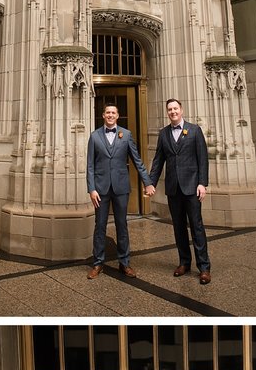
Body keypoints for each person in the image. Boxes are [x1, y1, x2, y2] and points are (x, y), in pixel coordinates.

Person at [85, 102, 154, 279]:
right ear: (103, 115)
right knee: (99, 226)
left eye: (113, 113)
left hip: (121, 187)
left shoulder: (126, 134)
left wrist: (147, 182)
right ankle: (98, 263)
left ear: (117, 115)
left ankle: (124, 263)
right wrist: (91, 189)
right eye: (107, 112)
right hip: (100, 189)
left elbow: (137, 161)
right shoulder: (94, 136)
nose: (110, 115)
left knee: (121, 225)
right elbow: (90, 166)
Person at [149, 98, 211, 285]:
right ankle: (184, 262)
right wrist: (150, 183)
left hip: (192, 187)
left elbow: (203, 159)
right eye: (170, 109)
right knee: (178, 227)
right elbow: (158, 160)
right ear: (167, 112)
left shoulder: (194, 130)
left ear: (181, 110)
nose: (173, 112)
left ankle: (204, 267)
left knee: (196, 226)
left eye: (175, 108)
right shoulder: (163, 134)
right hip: (173, 189)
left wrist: (202, 183)